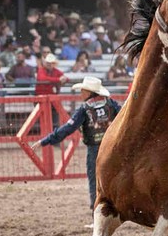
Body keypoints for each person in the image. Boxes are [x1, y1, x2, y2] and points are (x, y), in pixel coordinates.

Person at [38, 76, 121, 209]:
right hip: (113, 148)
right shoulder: (111, 104)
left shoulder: (85, 108)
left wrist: (47, 140)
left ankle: (97, 214)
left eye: (83, 90)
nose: (81, 92)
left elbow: (68, 128)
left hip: (95, 150)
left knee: (95, 182)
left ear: (89, 92)